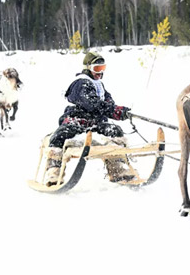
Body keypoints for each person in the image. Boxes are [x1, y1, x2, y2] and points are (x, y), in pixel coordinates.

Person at [45, 51, 133, 186]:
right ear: (87, 68)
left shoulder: (99, 84)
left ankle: (117, 168)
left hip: (96, 123)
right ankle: (53, 171)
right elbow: (91, 103)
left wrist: (118, 111)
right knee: (59, 135)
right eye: (97, 69)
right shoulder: (81, 83)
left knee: (115, 130)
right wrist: (113, 110)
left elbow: (108, 103)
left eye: (103, 68)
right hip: (77, 121)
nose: (100, 73)